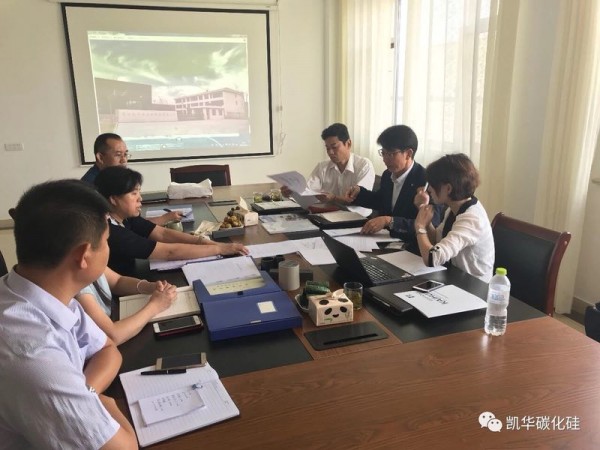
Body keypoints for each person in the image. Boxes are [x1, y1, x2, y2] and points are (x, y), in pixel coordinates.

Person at [0, 179, 137, 449]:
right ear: (83, 255)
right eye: (105, 241)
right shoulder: (31, 355)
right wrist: (102, 402)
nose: (108, 249)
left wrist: (86, 393)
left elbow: (107, 348)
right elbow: (125, 448)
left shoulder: (40, 292)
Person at [95, 166, 248, 276]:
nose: (140, 198)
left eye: (139, 192)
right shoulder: (110, 231)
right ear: (113, 199)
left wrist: (203, 242)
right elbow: (169, 252)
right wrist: (220, 249)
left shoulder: (125, 217)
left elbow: (162, 233)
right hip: (122, 291)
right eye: (134, 193)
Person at [344, 124, 442, 243]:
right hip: (384, 240)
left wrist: (390, 221)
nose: (385, 159)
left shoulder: (427, 181)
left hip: (412, 245)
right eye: (383, 153)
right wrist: (359, 193)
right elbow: (381, 201)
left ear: (409, 153)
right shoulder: (387, 175)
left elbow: (432, 225)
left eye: (391, 154)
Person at [413, 153, 494, 282]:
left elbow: (432, 258)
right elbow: (437, 241)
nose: (429, 190)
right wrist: (426, 222)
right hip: (455, 278)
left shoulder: (471, 219)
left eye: (433, 185)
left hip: (473, 286)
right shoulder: (454, 207)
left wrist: (420, 227)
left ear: (448, 188)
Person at [82, 132, 181, 226]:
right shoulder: (91, 188)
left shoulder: (112, 178)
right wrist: (163, 219)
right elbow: (122, 227)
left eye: (125, 154)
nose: (124, 160)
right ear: (100, 157)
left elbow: (130, 223)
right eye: (118, 155)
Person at [281, 123, 375, 216]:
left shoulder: (364, 165)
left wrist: (334, 198)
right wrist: (292, 192)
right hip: (328, 216)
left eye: (334, 147)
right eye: (327, 148)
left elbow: (360, 200)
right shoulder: (322, 167)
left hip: (357, 219)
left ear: (348, 144)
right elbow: (308, 192)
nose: (330, 152)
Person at [77, 267, 177, 345]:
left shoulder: (91, 263)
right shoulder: (77, 290)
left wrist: (149, 286)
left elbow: (117, 281)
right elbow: (113, 336)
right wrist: (155, 306)